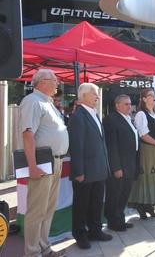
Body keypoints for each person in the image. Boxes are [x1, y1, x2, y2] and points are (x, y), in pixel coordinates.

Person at [19, 69, 68, 257]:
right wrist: (32, 166)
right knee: (37, 210)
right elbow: (27, 134)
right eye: (54, 80)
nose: (57, 83)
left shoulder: (47, 103)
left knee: (47, 209)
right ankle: (32, 252)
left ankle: (43, 247)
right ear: (41, 82)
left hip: (54, 162)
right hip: (42, 163)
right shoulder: (32, 101)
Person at [68, 83, 112, 250]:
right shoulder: (78, 116)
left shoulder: (93, 113)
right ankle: (80, 235)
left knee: (95, 203)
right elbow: (76, 146)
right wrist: (79, 171)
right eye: (94, 94)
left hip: (98, 169)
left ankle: (95, 230)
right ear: (84, 96)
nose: (97, 97)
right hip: (85, 171)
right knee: (81, 205)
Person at [129, 88, 155, 218]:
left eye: (154, 95)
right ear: (144, 99)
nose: (154, 97)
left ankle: (150, 204)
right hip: (147, 150)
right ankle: (142, 205)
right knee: (146, 176)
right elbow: (143, 134)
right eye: (150, 95)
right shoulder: (141, 114)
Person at [103, 94, 139, 231]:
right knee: (115, 194)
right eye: (126, 104)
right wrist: (116, 167)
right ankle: (113, 221)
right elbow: (111, 146)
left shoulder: (128, 118)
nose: (129, 106)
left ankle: (120, 219)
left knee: (124, 194)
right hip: (119, 165)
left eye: (130, 104)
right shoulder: (111, 119)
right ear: (117, 105)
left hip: (130, 162)